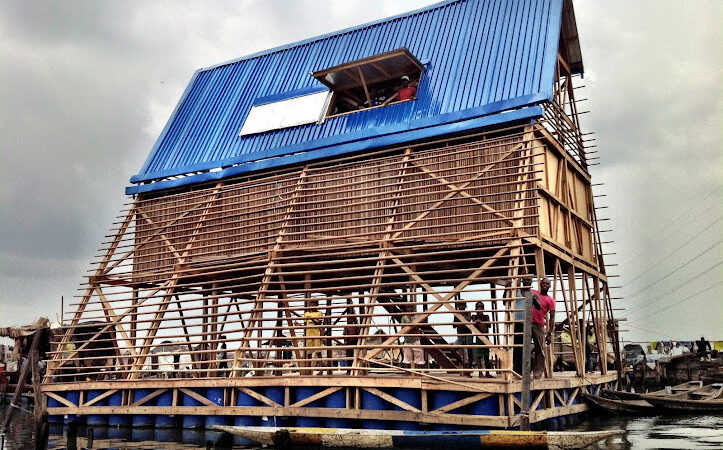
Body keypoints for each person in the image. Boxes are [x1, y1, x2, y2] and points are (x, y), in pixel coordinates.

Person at [530, 278, 556, 379]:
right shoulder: (533, 292)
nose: (545, 285)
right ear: (540, 284)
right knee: (523, 348)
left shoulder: (550, 300)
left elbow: (552, 318)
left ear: (549, 286)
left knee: (540, 350)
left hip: (538, 325)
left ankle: (537, 375)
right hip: (527, 323)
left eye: (547, 284)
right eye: (543, 283)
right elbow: (523, 290)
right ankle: (523, 373)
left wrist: (550, 334)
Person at [514, 278, 540, 374]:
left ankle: (525, 371)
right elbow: (505, 301)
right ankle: (517, 371)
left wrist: (534, 300)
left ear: (531, 282)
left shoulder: (533, 294)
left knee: (526, 347)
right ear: (522, 281)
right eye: (525, 280)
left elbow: (538, 307)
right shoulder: (516, 292)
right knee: (516, 348)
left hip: (526, 324)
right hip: (516, 323)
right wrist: (507, 288)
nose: (527, 282)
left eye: (529, 280)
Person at [400, 304, 425, 370]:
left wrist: (411, 327)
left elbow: (419, 325)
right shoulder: (404, 318)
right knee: (406, 357)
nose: (410, 309)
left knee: (418, 356)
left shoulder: (417, 317)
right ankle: (407, 372)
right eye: (408, 307)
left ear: (414, 308)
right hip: (407, 340)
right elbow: (403, 328)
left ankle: (418, 372)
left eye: (411, 307)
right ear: (406, 309)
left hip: (415, 339)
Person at [472, 301, 492, 377]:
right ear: (476, 309)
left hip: (486, 337)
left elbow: (489, 325)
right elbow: (473, 325)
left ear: (483, 309)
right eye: (478, 308)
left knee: (486, 355)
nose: (480, 309)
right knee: (479, 356)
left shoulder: (486, 316)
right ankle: (480, 373)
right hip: (479, 338)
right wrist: (476, 322)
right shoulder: (474, 317)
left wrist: (481, 322)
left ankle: (487, 372)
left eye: (481, 308)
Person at [304, 299, 324, 371]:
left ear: (317, 305)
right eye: (311, 305)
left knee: (318, 352)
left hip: (316, 335)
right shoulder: (306, 314)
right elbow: (305, 325)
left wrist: (312, 319)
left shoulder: (319, 313)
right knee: (309, 353)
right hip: (309, 334)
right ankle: (309, 370)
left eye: (314, 304)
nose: (312, 306)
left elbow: (319, 324)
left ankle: (321, 370)